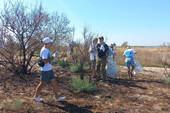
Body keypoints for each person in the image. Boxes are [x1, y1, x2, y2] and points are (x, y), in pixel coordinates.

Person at [34, 37, 65, 102]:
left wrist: (53, 56)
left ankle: (57, 98)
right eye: (50, 42)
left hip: (49, 69)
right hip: (45, 70)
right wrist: (53, 57)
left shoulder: (46, 49)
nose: (51, 43)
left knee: (54, 82)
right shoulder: (45, 50)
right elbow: (45, 61)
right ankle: (36, 97)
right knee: (42, 83)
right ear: (47, 43)